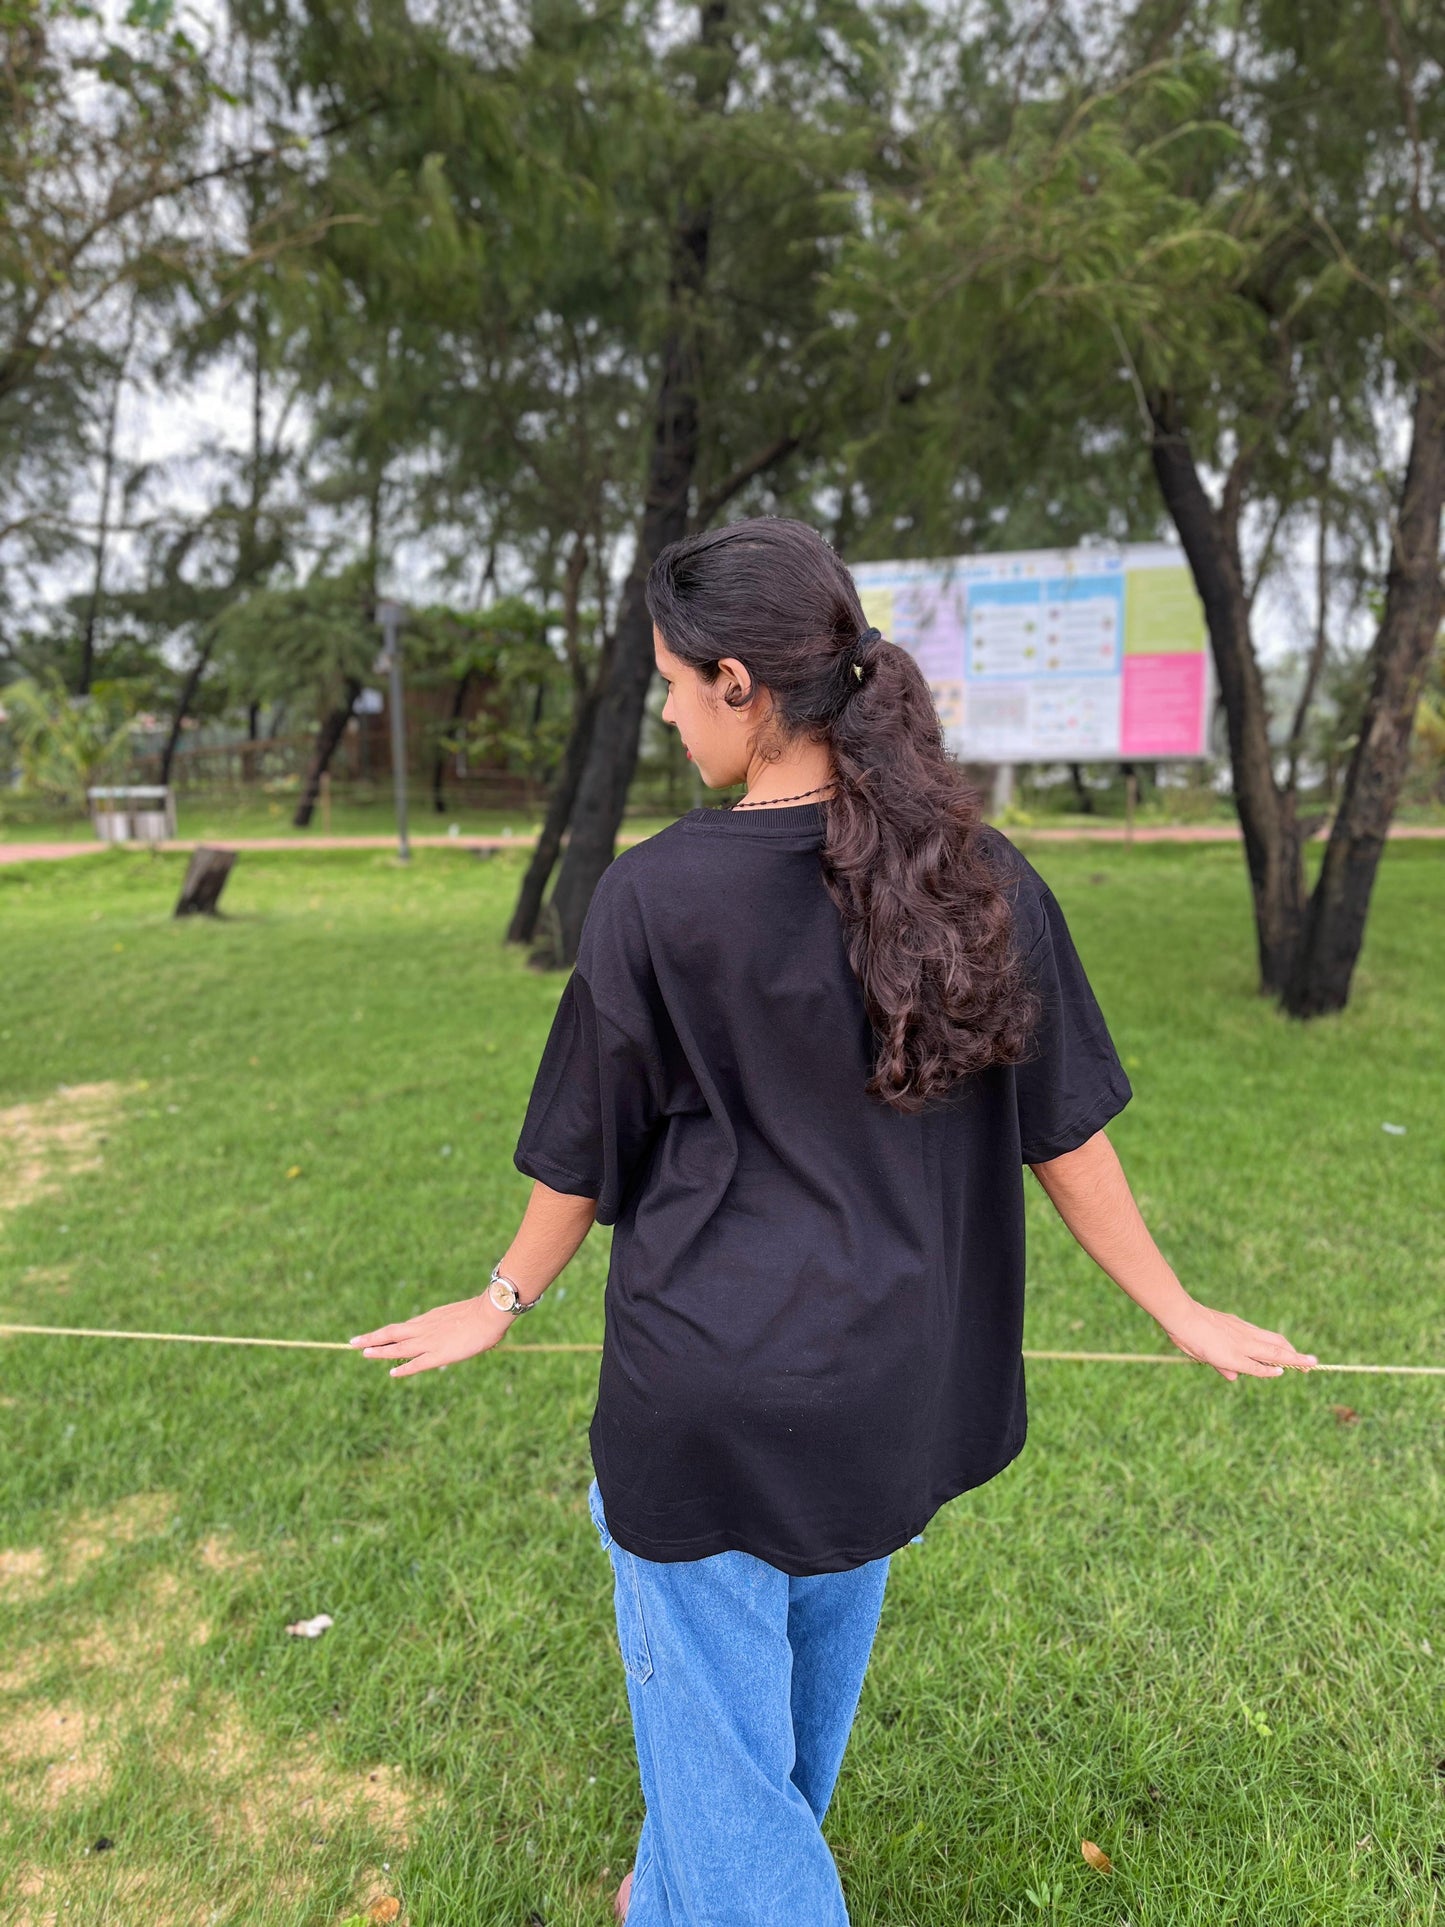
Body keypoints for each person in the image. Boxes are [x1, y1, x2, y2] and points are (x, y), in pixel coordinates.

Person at [349, 516, 1318, 1925]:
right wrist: (1174, 1307)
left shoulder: (655, 896)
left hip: (704, 1400)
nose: (671, 713)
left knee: (734, 1777)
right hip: (888, 1391)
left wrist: (496, 1302)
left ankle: (708, 1895)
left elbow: (580, 1157)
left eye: (676, 684)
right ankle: (672, 1897)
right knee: (754, 1766)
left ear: (741, 682)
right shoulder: (981, 875)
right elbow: (1068, 1135)